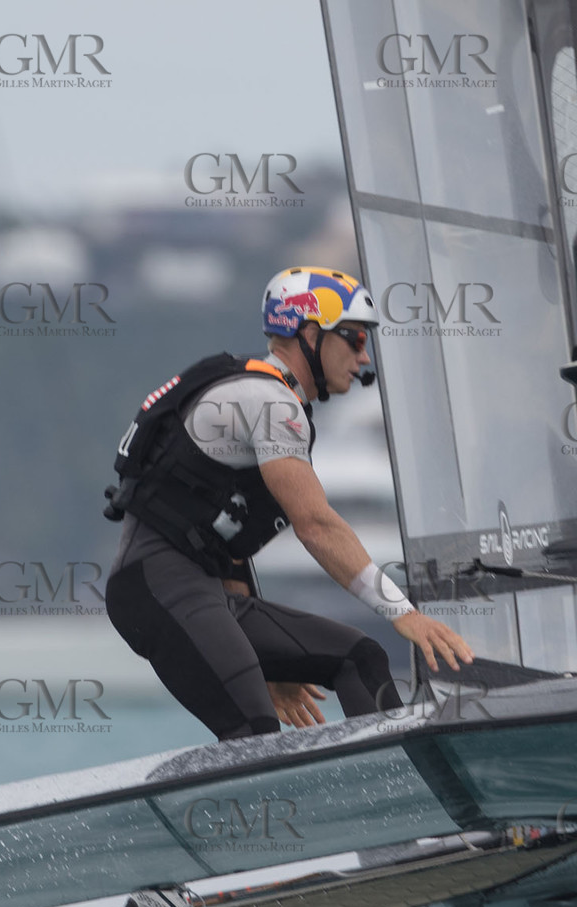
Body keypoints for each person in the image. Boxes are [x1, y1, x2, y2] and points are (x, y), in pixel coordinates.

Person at [102, 265, 474, 741]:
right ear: (311, 334)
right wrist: (404, 612)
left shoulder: (270, 397)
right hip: (155, 589)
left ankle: (399, 787)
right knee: (254, 729)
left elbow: (226, 546)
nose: (364, 358)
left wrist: (262, 651)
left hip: (203, 589)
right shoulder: (271, 402)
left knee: (360, 658)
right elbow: (316, 525)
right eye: (356, 340)